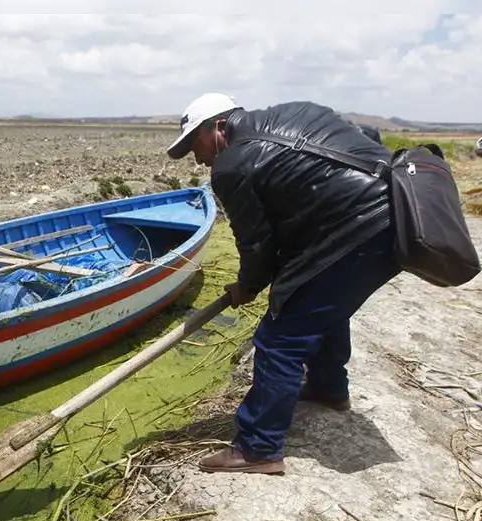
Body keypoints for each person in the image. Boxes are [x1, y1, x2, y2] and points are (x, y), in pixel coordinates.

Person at [166, 93, 400, 474]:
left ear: (219, 127)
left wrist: (248, 286)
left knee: (281, 337)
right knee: (323, 305)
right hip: (393, 213)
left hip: (359, 227)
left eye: (196, 143)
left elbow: (256, 242)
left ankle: (258, 447)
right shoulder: (296, 112)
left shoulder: (232, 165)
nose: (199, 158)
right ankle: (328, 389)